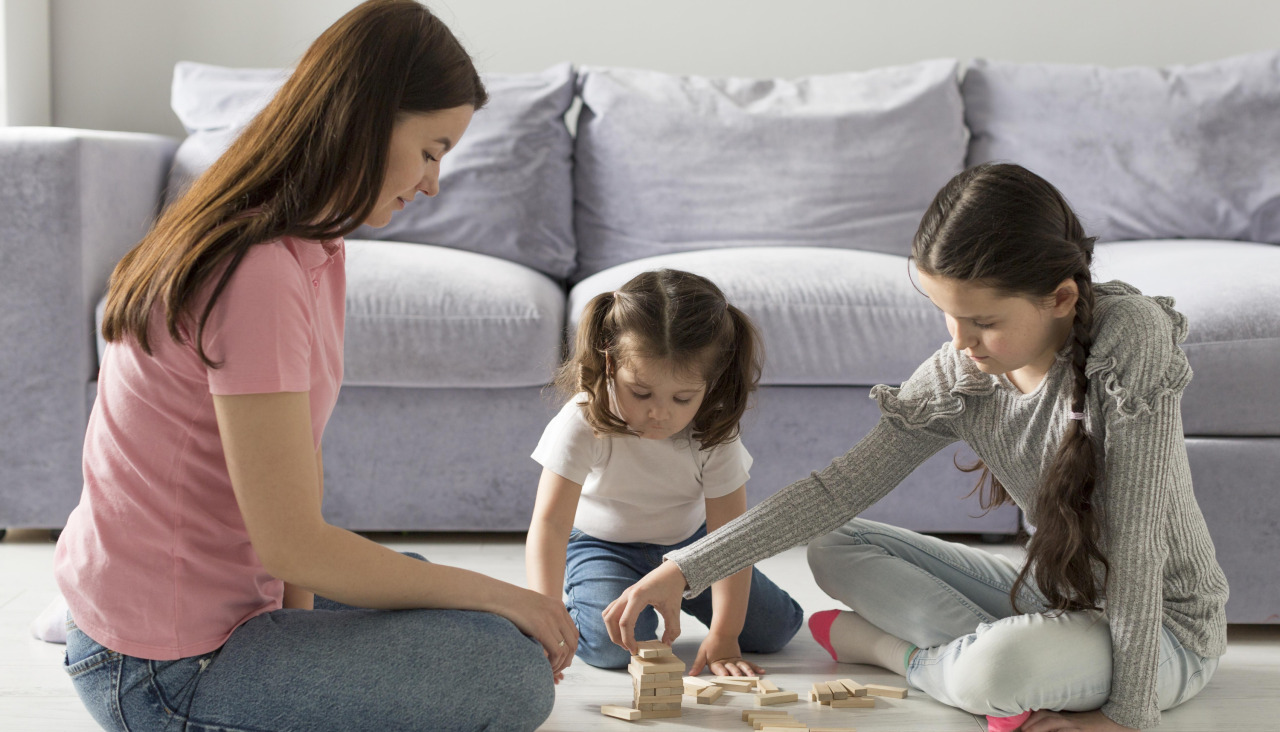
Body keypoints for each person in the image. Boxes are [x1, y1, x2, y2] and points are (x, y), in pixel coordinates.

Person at [52, 3, 570, 730]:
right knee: (505, 667)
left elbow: (296, 477)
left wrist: (303, 622)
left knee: (425, 584)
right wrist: (500, 593)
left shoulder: (311, 246)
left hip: (216, 609)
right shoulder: (254, 270)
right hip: (159, 672)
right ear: (369, 118)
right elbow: (293, 542)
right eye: (431, 149)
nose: (432, 183)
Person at [600, 164, 1228, 732]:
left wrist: (1124, 719)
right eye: (946, 315)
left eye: (984, 322)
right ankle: (1009, 656)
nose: (961, 344)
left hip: (1163, 629)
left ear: (1060, 298)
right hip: (1058, 596)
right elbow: (838, 490)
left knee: (993, 677)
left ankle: (894, 652)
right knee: (838, 544)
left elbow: (1140, 542)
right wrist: (684, 568)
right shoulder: (964, 375)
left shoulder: (1130, 341)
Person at [526, 269, 803, 676]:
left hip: (693, 548)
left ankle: (684, 599)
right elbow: (549, 525)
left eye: (683, 397)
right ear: (609, 361)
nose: (660, 413)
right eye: (640, 392)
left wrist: (726, 635)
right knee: (611, 650)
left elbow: (730, 537)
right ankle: (582, 600)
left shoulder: (714, 430)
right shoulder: (583, 421)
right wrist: (543, 620)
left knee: (777, 632)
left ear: (712, 383)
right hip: (603, 546)